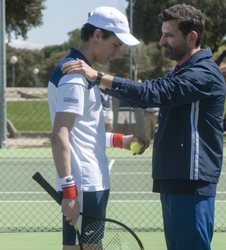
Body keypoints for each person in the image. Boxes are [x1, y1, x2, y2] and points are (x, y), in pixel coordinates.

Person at [62, 3, 226, 250]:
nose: (162, 41)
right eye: (162, 33)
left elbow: (154, 93)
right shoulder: (180, 72)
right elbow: (147, 93)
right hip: (174, 179)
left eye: (169, 35)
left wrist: (98, 77)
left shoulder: (204, 73)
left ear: (192, 37)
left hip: (191, 182)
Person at [47, 6, 148, 250]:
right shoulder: (75, 75)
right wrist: (71, 194)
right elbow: (60, 135)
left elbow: (83, 132)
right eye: (115, 44)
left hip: (85, 183)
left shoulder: (80, 72)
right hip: (86, 184)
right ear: (97, 35)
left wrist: (119, 140)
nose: (119, 50)